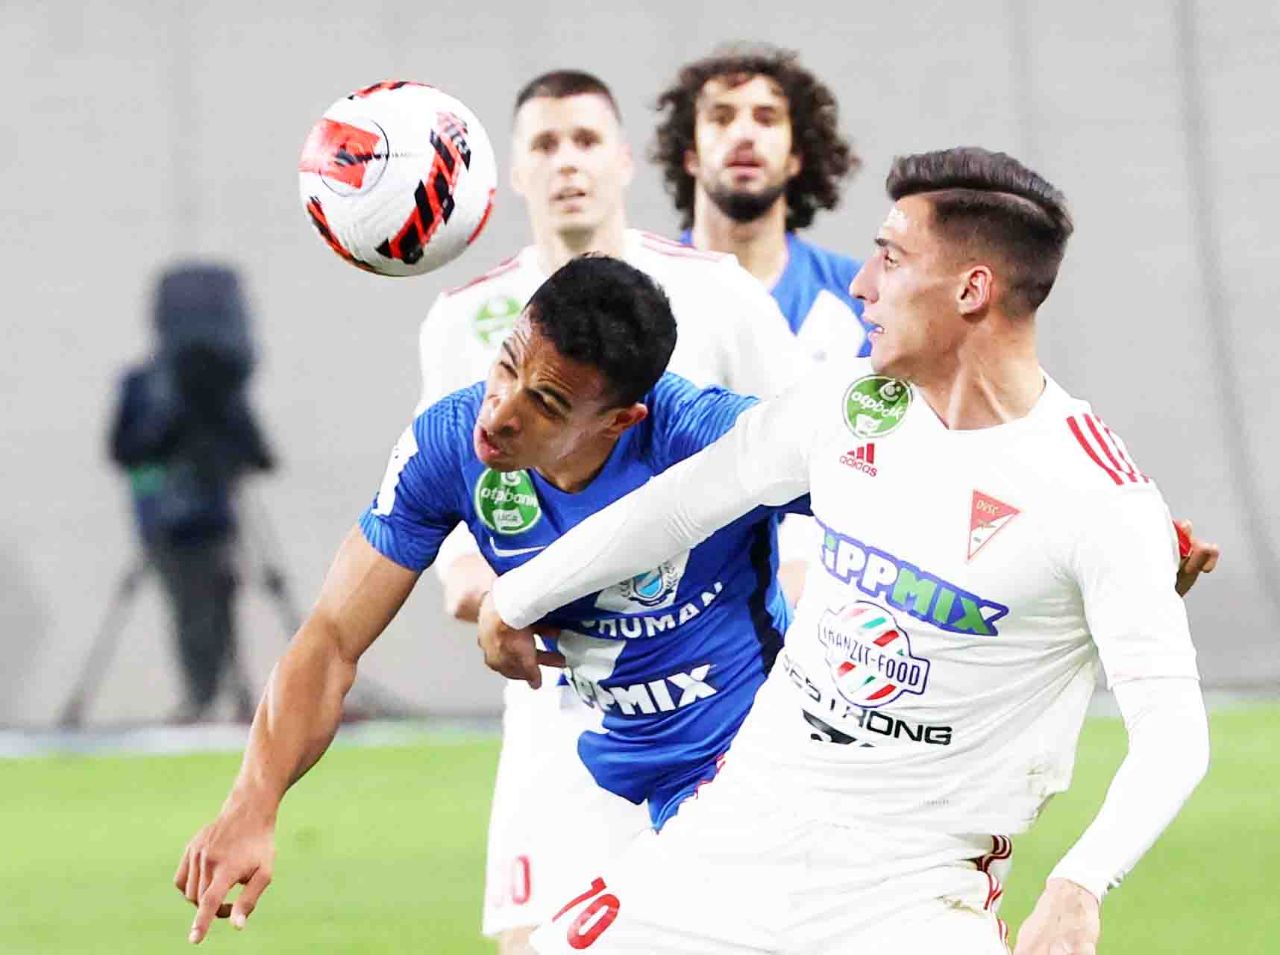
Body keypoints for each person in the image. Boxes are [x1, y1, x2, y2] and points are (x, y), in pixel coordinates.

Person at [478, 148, 1212, 954]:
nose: (861, 283)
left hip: (910, 897)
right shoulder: (852, 401)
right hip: (731, 847)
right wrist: (516, 596)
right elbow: (680, 505)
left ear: (971, 290)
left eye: (891, 258)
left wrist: (1079, 884)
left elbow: (1174, 733)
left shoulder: (1100, 498)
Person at [174, 255, 809, 946]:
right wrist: (253, 801)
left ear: (620, 420)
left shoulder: (705, 437)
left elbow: (865, 473)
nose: (501, 412)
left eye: (547, 403)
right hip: (619, 769)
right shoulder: (449, 447)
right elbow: (330, 638)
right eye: (507, 364)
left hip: (756, 764)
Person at [416, 70, 809, 950]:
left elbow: (803, 455)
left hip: (713, 697)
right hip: (556, 702)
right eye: (545, 145)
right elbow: (452, 524)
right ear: (515, 172)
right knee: (534, 938)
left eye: (587, 141)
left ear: (625, 160)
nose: (568, 163)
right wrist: (485, 588)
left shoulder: (716, 293)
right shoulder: (462, 319)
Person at [109, 263, 274, 723]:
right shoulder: (144, 386)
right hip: (167, 517)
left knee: (220, 596)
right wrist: (168, 424)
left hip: (217, 516)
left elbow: (258, 454)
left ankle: (232, 695)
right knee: (190, 604)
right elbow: (124, 449)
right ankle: (203, 697)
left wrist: (220, 428)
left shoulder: (219, 392)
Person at [656, 44, 872, 363]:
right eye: (721, 118)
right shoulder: (649, 293)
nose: (744, 134)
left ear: (795, 157)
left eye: (766, 119)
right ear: (690, 156)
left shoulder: (858, 295)